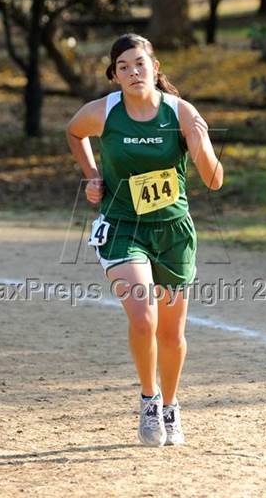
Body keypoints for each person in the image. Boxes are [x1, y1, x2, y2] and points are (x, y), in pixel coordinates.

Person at [66, 33, 223, 447]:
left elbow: (213, 179)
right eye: (124, 67)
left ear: (155, 68)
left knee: (171, 335)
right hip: (121, 228)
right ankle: (148, 401)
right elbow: (73, 132)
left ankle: (171, 405)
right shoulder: (104, 112)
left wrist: (199, 140)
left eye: (140, 63)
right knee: (143, 318)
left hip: (172, 231)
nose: (134, 72)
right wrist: (92, 175)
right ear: (114, 76)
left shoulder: (180, 112)